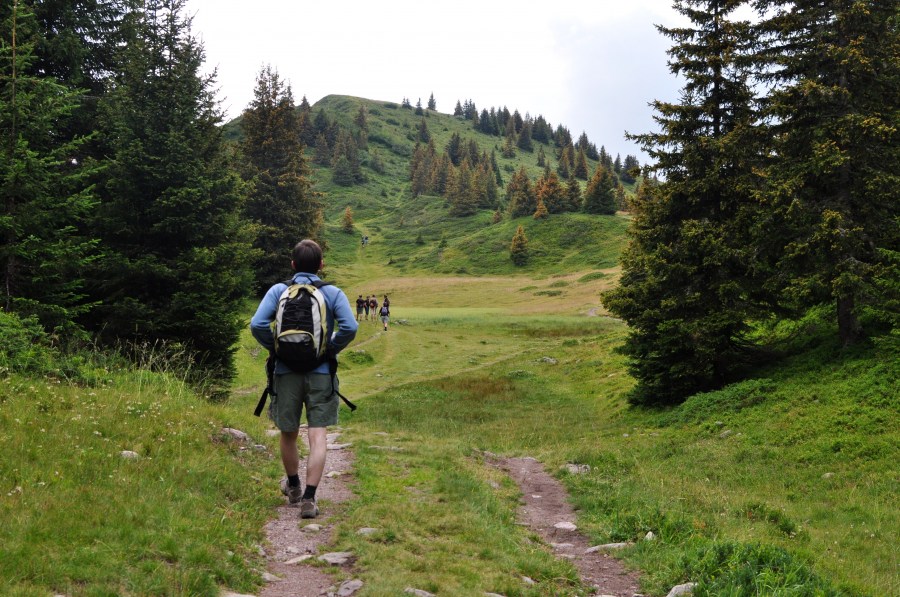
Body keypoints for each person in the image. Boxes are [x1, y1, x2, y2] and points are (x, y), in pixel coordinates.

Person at [250, 240, 358, 519]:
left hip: (285, 372)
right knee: (317, 433)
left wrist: (275, 349)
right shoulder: (332, 293)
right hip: (321, 372)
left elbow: (257, 324)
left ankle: (294, 487)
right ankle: (310, 499)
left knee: (288, 432)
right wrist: (329, 349)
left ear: (293, 265)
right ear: (322, 265)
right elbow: (350, 327)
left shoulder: (278, 291)